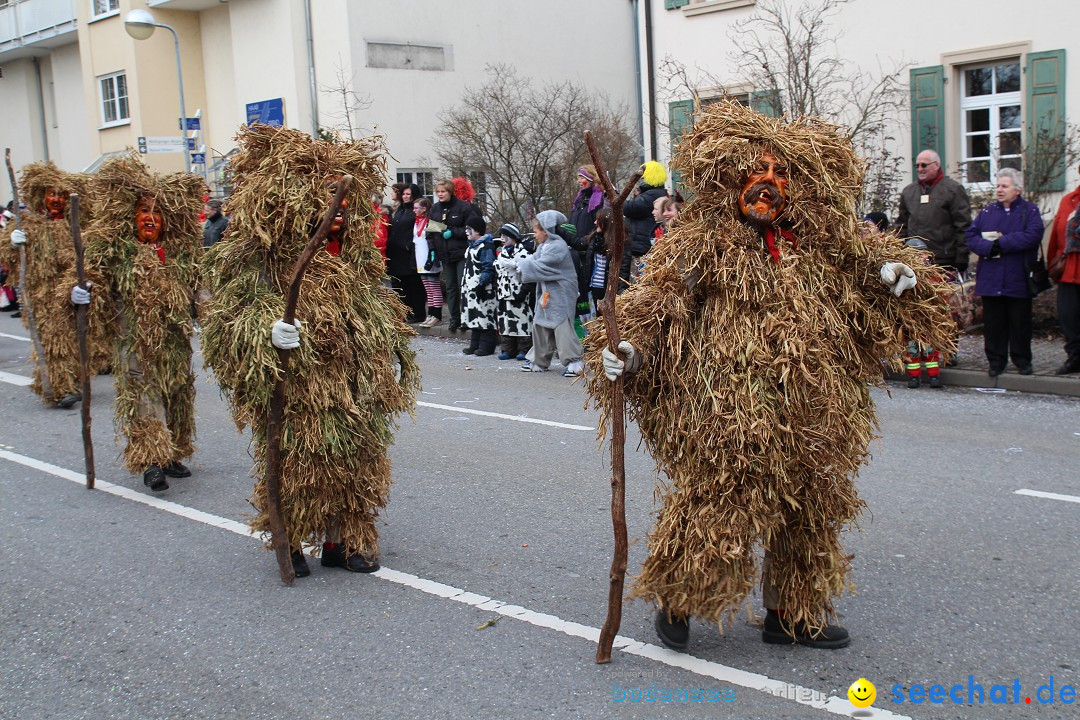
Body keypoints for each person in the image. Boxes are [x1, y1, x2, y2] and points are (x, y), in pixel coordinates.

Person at [585, 101, 955, 651]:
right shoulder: (704, 245)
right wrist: (628, 351)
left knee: (811, 508)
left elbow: (877, 275)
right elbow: (658, 301)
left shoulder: (827, 244)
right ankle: (681, 597)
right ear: (729, 178)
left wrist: (897, 280)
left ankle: (793, 612)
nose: (769, 185)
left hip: (819, 410)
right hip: (734, 411)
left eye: (781, 174)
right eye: (756, 173)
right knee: (722, 501)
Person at [201, 124, 420, 578]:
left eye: (342, 197)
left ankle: (346, 540)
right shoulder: (262, 257)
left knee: (358, 458)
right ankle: (294, 538)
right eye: (323, 196)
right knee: (300, 457)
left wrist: (393, 356)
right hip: (299, 383)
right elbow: (228, 316)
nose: (336, 208)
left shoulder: (358, 258)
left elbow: (379, 309)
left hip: (356, 381)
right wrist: (266, 332)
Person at [72, 153, 203, 491]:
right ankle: (151, 461)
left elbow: (200, 292)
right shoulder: (116, 253)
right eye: (143, 211)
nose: (150, 218)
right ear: (130, 217)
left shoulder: (181, 254)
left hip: (174, 341)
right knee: (144, 397)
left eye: (156, 212)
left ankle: (171, 451)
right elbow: (93, 283)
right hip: (134, 342)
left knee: (176, 393)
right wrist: (79, 293)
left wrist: (214, 320)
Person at [0, 163, 110, 407]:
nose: (57, 199)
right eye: (52, 194)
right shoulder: (29, 225)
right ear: (42, 195)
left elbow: (90, 258)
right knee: (53, 341)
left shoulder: (79, 227)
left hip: (72, 291)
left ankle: (73, 381)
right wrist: (12, 242)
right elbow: (9, 258)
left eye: (62, 195)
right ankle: (60, 389)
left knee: (77, 339)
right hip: (42, 295)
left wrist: (85, 282)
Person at [965, 168, 1045, 377]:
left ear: (1017, 190)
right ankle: (996, 361)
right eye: (998, 186)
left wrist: (1002, 242)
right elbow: (971, 237)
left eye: (1004, 186)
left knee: (1020, 323)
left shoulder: (1030, 211)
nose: (999, 190)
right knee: (994, 324)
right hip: (991, 278)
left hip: (1018, 277)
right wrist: (988, 248)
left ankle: (1022, 361)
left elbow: (1033, 235)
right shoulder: (987, 212)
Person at [497, 210, 584, 377]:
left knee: (561, 327)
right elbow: (533, 261)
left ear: (546, 230)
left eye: (536, 231)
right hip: (548, 294)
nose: (534, 235)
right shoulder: (545, 245)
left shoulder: (558, 246)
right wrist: (517, 263)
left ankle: (575, 362)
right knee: (541, 324)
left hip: (561, 294)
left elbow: (542, 266)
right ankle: (539, 360)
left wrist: (518, 265)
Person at [895, 150, 972, 275]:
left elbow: (963, 225)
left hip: (943, 261)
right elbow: (901, 226)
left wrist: (962, 258)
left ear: (936, 165)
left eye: (924, 165)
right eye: (917, 166)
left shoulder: (953, 190)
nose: (920, 169)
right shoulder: (908, 192)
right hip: (914, 261)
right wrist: (898, 252)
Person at [430, 178, 481, 332]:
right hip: (444, 254)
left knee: (462, 286)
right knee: (450, 287)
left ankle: (467, 317)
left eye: (443, 191)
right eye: (438, 192)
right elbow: (431, 231)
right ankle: (455, 318)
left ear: (450, 192)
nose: (440, 194)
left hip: (460, 252)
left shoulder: (462, 207)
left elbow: (471, 228)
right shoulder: (435, 209)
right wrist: (432, 250)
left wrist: (453, 232)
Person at [1047, 169, 1080, 375]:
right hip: (1069, 271)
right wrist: (1054, 265)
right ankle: (1074, 358)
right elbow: (1056, 238)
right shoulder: (1069, 200)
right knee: (1069, 319)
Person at [620, 161, 668, 287]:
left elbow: (630, 208)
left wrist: (616, 197)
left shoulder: (650, 195)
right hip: (641, 244)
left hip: (643, 246)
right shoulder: (653, 194)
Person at [386, 183, 426, 323]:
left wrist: (410, 245)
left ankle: (418, 313)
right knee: (400, 286)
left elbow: (427, 227)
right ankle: (405, 312)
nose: (405, 196)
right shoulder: (400, 211)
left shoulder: (417, 210)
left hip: (409, 254)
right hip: (396, 254)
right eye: (404, 194)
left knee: (414, 286)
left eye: (408, 194)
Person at [494, 222, 534, 360]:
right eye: (501, 236)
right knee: (505, 322)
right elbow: (498, 272)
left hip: (519, 294)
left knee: (522, 321)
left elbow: (528, 275)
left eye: (506, 236)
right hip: (504, 294)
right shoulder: (502, 254)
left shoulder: (523, 253)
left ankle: (524, 349)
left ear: (513, 237)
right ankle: (507, 348)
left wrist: (524, 291)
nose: (503, 239)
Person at [460, 215, 498, 356]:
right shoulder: (471, 247)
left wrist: (482, 284)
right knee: (474, 316)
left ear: (477, 231)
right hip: (471, 289)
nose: (466, 232)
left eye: (469, 229)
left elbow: (488, 267)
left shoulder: (485, 247)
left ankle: (487, 346)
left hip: (483, 288)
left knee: (485, 317)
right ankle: (474, 344)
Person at [412, 197, 444, 328]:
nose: (414, 210)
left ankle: (437, 315)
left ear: (424, 209)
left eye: (416, 208)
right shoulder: (416, 222)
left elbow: (441, 233)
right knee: (428, 289)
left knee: (434, 288)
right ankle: (430, 314)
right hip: (420, 258)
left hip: (430, 258)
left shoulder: (431, 222)